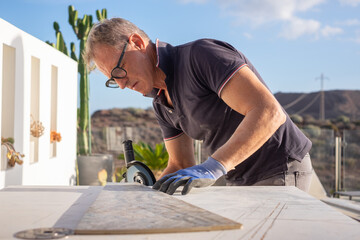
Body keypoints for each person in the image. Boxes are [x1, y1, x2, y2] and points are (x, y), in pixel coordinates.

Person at [84, 18, 313, 195]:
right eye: (113, 80)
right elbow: (180, 163)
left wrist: (215, 166)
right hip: (236, 176)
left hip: (279, 167)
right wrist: (147, 197)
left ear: (136, 42)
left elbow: (268, 112)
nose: (122, 85)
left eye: (119, 70)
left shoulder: (201, 56)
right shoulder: (162, 103)